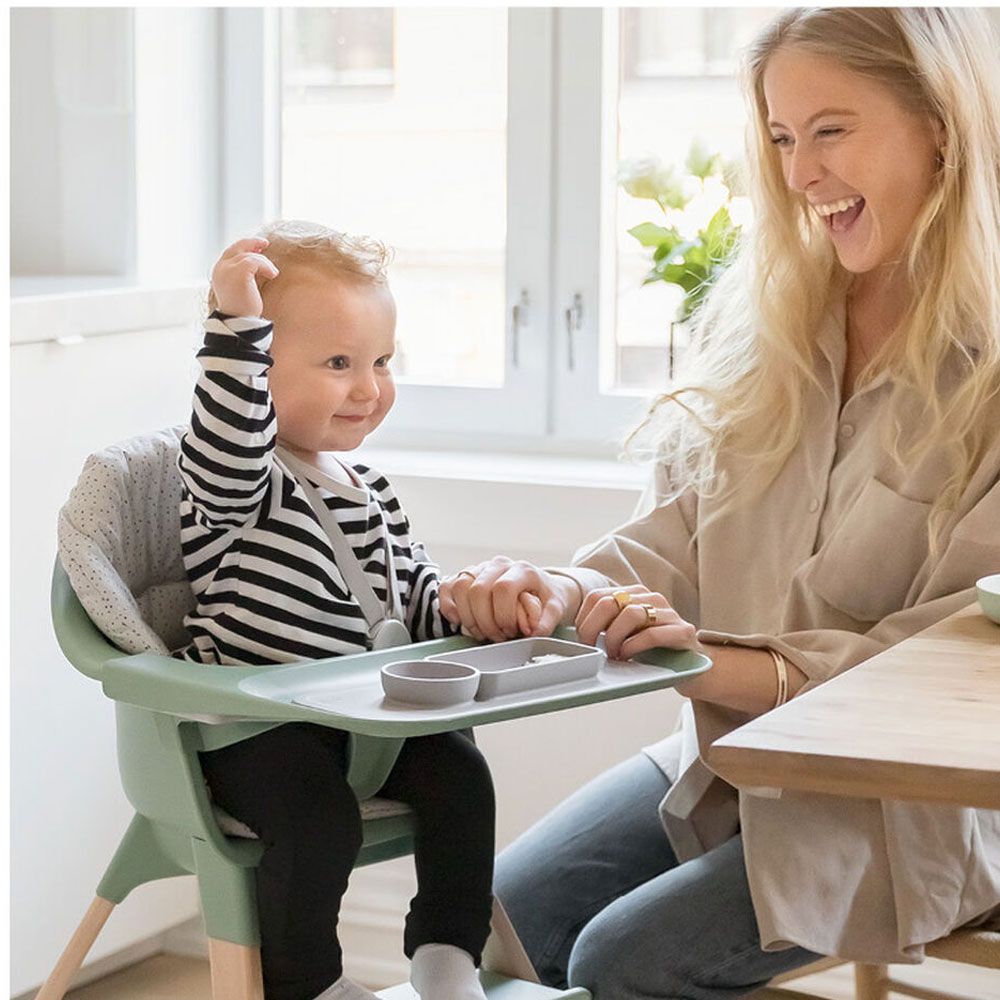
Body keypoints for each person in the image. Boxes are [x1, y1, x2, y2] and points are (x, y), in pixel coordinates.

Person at [440, 8, 1000, 998]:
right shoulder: (780, 323)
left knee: (624, 962)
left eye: (830, 130)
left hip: (915, 808)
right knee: (498, 917)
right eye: (782, 139)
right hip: (735, 762)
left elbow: (949, 661)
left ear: (941, 126)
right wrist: (561, 592)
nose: (799, 174)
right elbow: (679, 534)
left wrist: (704, 662)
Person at [179, 221, 495, 1000]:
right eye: (338, 363)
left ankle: (448, 959)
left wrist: (465, 606)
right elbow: (227, 435)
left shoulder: (370, 488)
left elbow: (406, 599)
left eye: (381, 362)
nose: (369, 387)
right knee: (319, 825)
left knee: (462, 775)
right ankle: (308, 985)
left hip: (361, 722)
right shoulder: (237, 484)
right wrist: (235, 326)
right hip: (255, 731)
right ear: (258, 372)